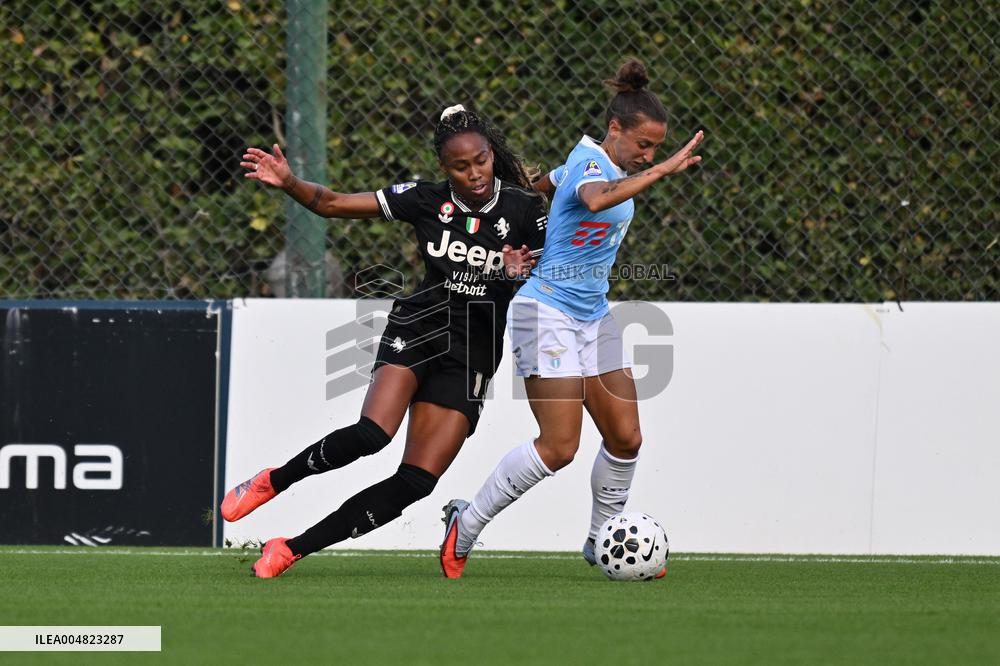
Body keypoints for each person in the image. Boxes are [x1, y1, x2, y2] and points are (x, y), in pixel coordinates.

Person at [226, 105, 547, 578]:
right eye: (461, 166)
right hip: (421, 327)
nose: (475, 172)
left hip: (473, 352)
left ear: (491, 154)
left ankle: (292, 548)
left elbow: (554, 270)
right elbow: (334, 204)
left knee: (416, 482)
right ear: (444, 168)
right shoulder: (423, 199)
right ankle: (272, 481)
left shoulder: (523, 208)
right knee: (372, 434)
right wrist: (290, 182)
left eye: (481, 160)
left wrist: (524, 273)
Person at [439, 60, 704, 578]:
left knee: (626, 437)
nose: (647, 155)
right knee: (559, 447)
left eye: (655, 148)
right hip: (546, 312)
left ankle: (599, 539)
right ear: (615, 130)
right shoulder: (593, 163)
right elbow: (593, 196)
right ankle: (464, 526)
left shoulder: (582, 163)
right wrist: (660, 170)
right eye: (643, 145)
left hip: (592, 314)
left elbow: (544, 185)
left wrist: (526, 223)